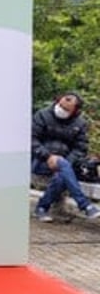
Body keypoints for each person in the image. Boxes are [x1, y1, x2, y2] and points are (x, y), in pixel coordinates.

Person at [31, 92, 100, 221]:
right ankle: (85, 205)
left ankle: (41, 208)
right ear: (58, 100)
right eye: (60, 104)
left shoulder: (80, 124)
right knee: (63, 169)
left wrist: (65, 163)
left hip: (65, 164)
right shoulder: (42, 115)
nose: (61, 108)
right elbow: (32, 140)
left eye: (66, 109)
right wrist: (48, 156)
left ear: (74, 111)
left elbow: (81, 148)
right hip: (40, 161)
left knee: (61, 175)